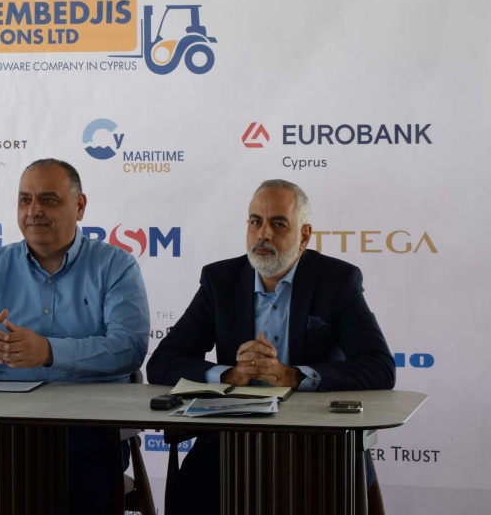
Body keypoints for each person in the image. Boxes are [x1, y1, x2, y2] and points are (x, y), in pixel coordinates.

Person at [0, 158, 150, 515]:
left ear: (80, 206)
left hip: (85, 428)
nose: (34, 211)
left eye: (48, 200)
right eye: (25, 200)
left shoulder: (115, 266)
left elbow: (128, 349)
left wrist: (49, 352)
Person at [146, 179, 395, 513]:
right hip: (233, 435)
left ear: (304, 236)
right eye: (255, 222)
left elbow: (380, 366)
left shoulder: (337, 281)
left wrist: (296, 376)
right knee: (193, 491)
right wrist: (229, 375)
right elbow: (163, 361)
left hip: (317, 434)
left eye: (278, 224)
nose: (263, 234)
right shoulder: (220, 281)